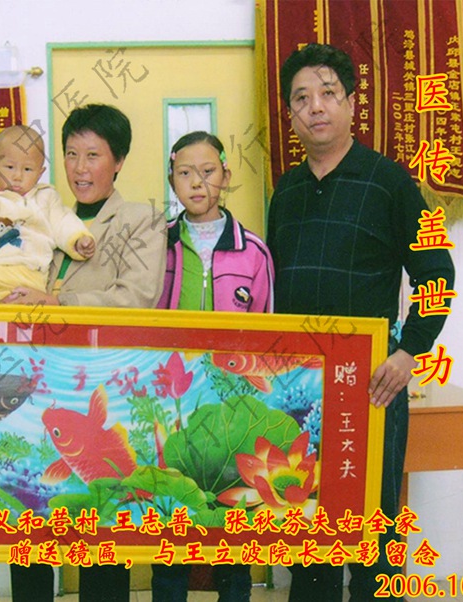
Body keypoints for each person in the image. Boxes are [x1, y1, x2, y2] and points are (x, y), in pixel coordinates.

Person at [266, 43, 455, 601]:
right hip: (299, 389)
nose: (315, 107)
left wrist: (407, 352)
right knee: (306, 525)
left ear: (351, 102)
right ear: (290, 113)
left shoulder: (391, 183)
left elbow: (437, 274)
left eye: (328, 93)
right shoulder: (285, 192)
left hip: (369, 386)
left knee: (375, 526)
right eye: (301, 98)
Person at [2, 104, 167, 601]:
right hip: (35, 386)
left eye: (93, 155)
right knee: (31, 520)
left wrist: (59, 303)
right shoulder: (42, 214)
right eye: (71, 154)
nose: (79, 168)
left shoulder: (141, 220)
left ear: (119, 161)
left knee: (101, 530)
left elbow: (137, 297)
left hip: (100, 386)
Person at [152, 131, 274, 602]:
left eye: (208, 171)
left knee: (231, 522)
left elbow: (267, 335)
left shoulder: (254, 251)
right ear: (172, 180)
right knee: (171, 522)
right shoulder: (157, 245)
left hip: (231, 411)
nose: (197, 182)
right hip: (171, 407)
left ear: (226, 175)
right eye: (185, 173)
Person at [0, 125, 95, 303]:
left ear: (40, 173)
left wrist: (78, 239)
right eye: (9, 167)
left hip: (35, 285)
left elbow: (63, 222)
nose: (17, 176)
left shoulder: (47, 198)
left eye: (27, 169)